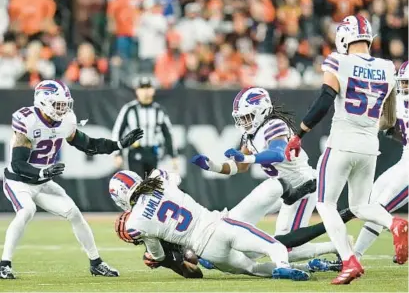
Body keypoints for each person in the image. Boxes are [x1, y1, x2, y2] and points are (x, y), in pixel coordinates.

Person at [284, 15, 408, 285]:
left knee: (325, 204)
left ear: (343, 37)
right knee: (361, 205)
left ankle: (349, 260)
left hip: (341, 141)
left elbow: (324, 101)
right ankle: (394, 223)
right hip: (369, 145)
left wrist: (299, 134)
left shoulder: (338, 61)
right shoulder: (388, 67)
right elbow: (388, 118)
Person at [0, 80, 144, 279]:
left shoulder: (66, 121)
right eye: (58, 104)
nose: (63, 109)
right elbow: (18, 164)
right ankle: (4, 264)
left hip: (42, 182)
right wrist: (43, 173)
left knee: (74, 213)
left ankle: (96, 263)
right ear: (43, 102)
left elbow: (89, 145)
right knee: (27, 211)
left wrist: (118, 144)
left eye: (65, 104)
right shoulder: (28, 120)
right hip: (19, 181)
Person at [191, 87, 336, 262]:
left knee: (285, 248)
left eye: (247, 116)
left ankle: (337, 247)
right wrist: (213, 166)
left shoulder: (274, 125)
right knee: (236, 224)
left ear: (262, 110)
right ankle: (224, 253)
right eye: (241, 118)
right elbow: (240, 166)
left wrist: (246, 156)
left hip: (302, 187)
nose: (244, 122)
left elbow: (277, 153)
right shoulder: (250, 135)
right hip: (280, 188)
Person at [108, 169, 311, 281]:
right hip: (217, 225)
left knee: (253, 269)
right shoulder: (158, 179)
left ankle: (286, 269)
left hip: (207, 250)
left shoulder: (134, 224)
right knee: (271, 245)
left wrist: (154, 255)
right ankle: (283, 266)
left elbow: (159, 256)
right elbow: (176, 176)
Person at [354, 61, 409, 260]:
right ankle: (355, 255)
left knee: (380, 207)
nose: (404, 88)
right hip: (406, 159)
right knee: (375, 199)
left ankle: (354, 256)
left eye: (407, 83)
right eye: (403, 83)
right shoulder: (401, 103)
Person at [112, 77, 177, 176]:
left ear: (153, 90)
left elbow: (168, 134)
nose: (145, 91)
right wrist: (117, 153)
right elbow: (117, 131)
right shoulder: (129, 109)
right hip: (135, 152)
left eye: (148, 88)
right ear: (137, 91)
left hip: (153, 153)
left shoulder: (159, 110)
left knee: (151, 187)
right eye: (142, 88)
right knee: (137, 186)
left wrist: (173, 156)